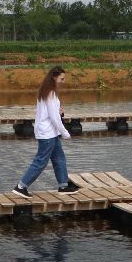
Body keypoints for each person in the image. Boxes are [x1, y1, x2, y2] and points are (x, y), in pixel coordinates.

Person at [13, 65, 80, 197]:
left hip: (51, 133)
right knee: (41, 161)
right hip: (47, 134)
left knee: (59, 158)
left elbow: (53, 114)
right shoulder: (50, 93)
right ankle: (21, 186)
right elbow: (54, 118)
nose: (63, 81)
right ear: (54, 77)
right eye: (62, 78)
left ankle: (63, 186)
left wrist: (60, 113)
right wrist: (65, 132)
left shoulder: (48, 91)